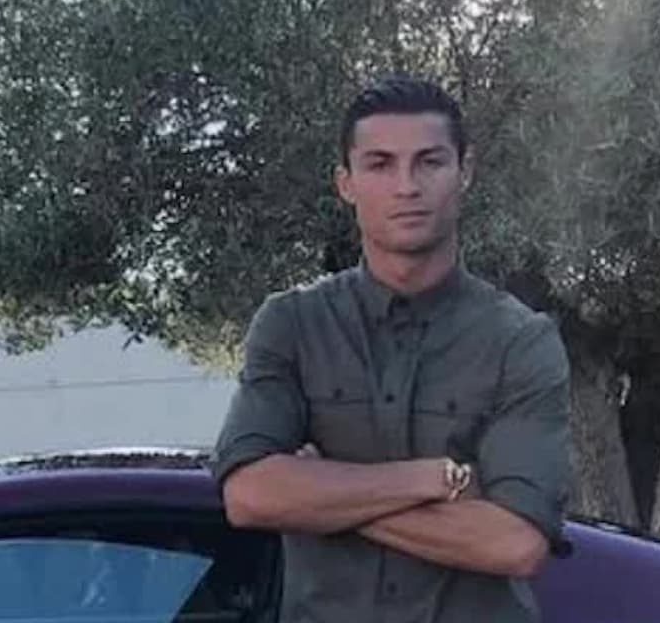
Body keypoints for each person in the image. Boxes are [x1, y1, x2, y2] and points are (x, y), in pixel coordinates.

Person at [209, 76, 572, 623]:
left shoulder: (520, 341)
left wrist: (316, 493)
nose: (406, 186)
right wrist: (431, 480)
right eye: (380, 164)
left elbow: (514, 543)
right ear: (346, 183)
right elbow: (249, 496)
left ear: (465, 172)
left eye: (430, 162)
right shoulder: (292, 325)